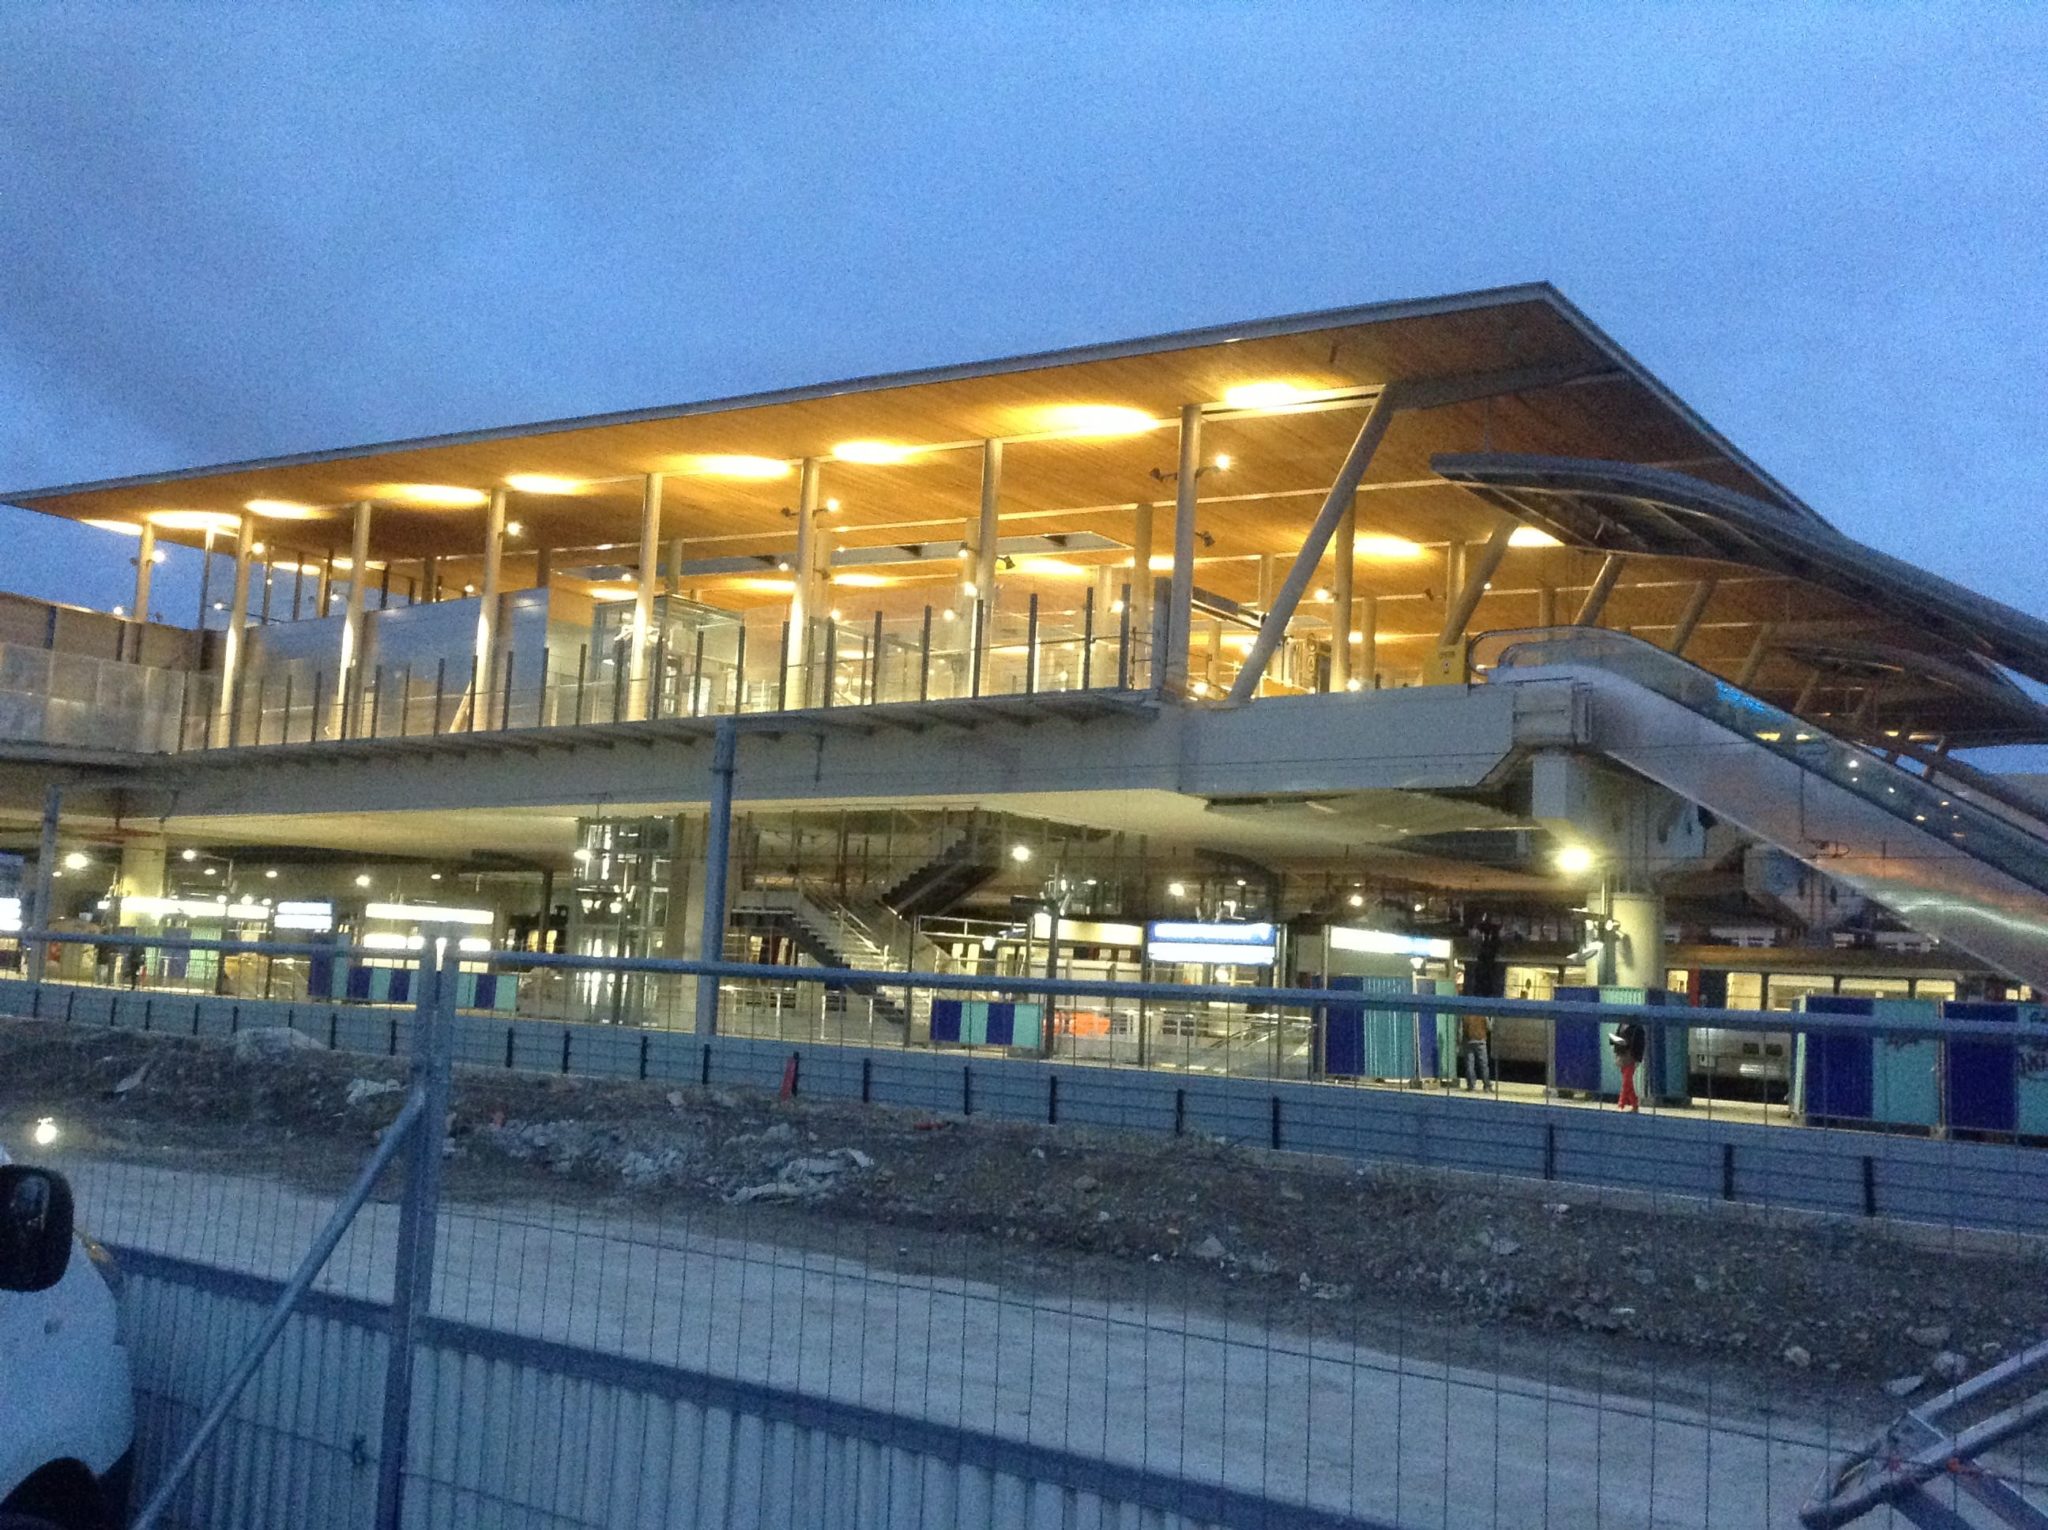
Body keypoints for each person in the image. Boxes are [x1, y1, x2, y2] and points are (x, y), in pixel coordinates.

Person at [1610, 1020, 1647, 1112]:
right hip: (1622, 1055)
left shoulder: (1637, 1028)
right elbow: (1617, 1036)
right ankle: (1634, 1104)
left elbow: (1640, 1044)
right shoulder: (1621, 1024)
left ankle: (1621, 1104)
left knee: (1626, 1080)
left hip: (1631, 1056)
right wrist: (1613, 1039)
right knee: (1628, 1081)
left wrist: (1638, 1058)